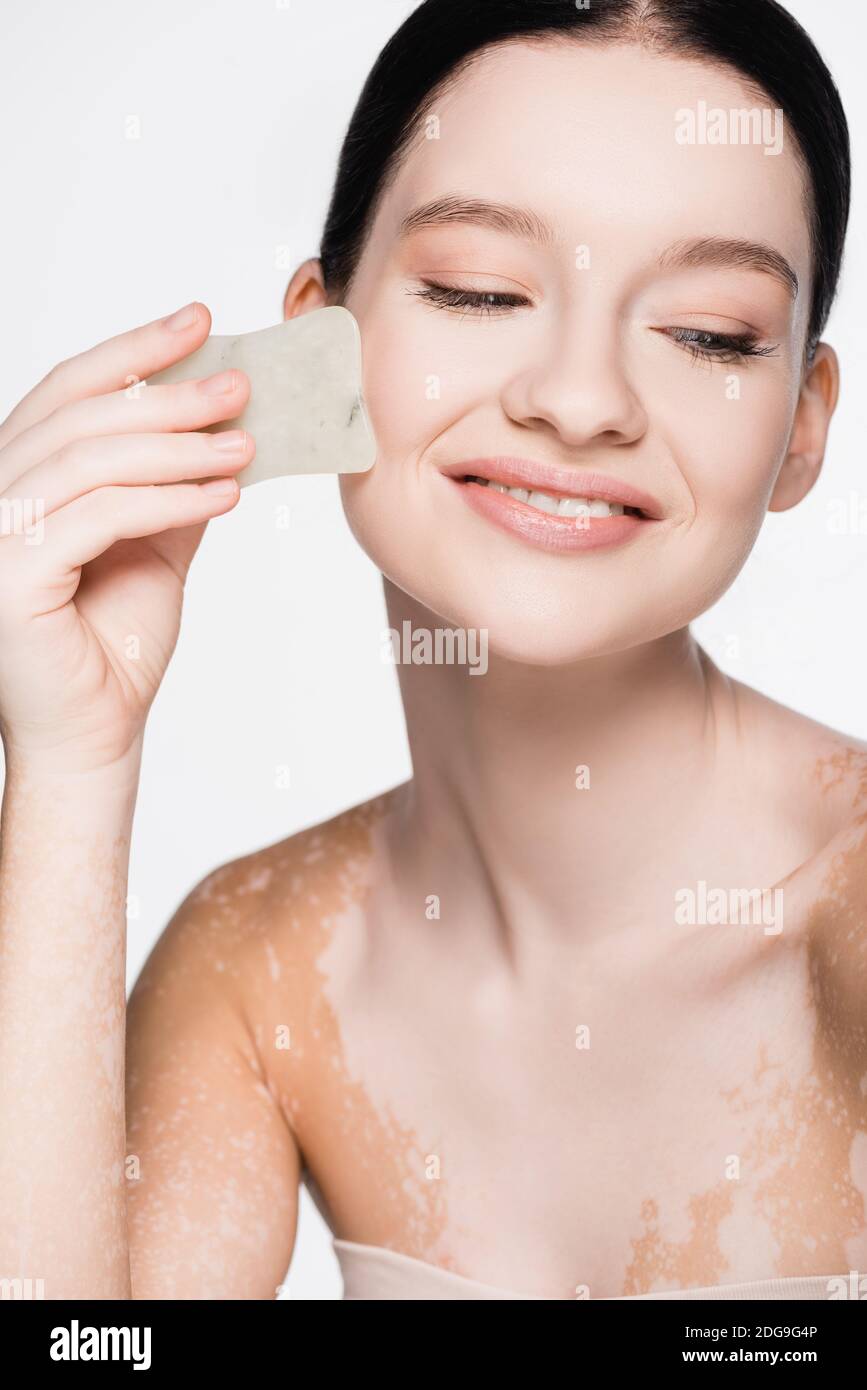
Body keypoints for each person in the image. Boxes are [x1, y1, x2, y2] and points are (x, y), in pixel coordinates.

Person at [1, 0, 864, 1301]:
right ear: (316, 339)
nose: (580, 399)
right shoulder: (258, 963)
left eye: (707, 332)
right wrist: (69, 766)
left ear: (801, 425)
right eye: (479, 290)